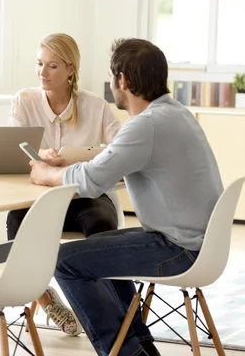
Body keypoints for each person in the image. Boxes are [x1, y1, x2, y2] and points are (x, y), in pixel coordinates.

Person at [27, 38, 224, 356]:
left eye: (112, 77)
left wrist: (45, 174)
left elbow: (91, 182)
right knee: (107, 245)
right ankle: (141, 347)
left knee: (65, 262)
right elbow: (111, 164)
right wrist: (75, 165)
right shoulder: (176, 114)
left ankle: (125, 352)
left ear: (123, 80)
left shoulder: (145, 126)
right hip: (201, 245)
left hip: (176, 249)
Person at [7, 33, 121, 336]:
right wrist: (40, 155)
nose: (42, 72)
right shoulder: (24, 101)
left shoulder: (97, 107)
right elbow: (12, 152)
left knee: (102, 221)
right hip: (40, 198)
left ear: (70, 69)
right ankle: (46, 300)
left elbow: (121, 153)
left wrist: (72, 164)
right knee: (16, 221)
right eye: (39, 64)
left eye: (52, 66)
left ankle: (104, 307)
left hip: (86, 195)